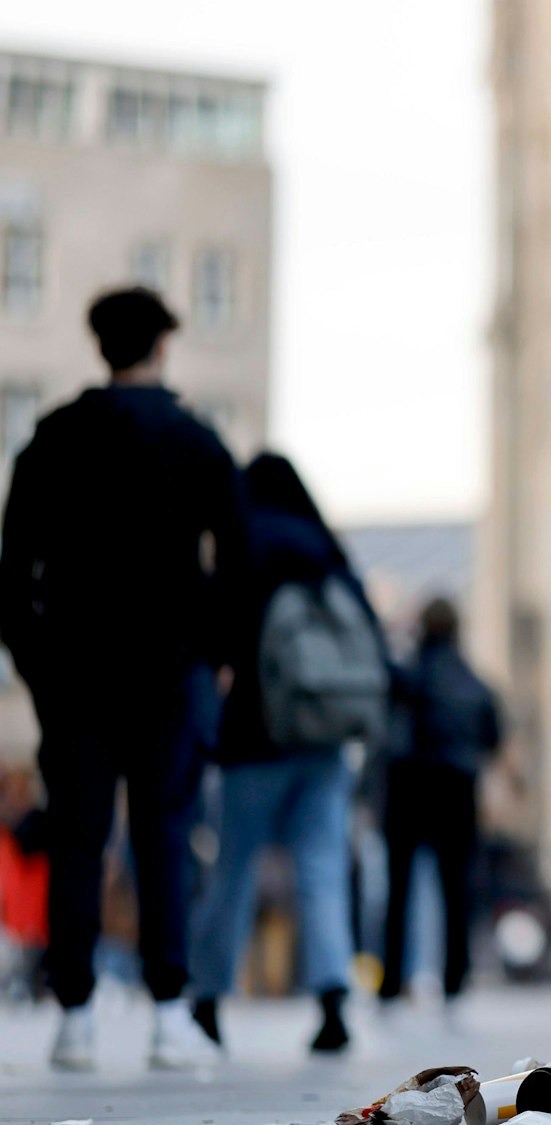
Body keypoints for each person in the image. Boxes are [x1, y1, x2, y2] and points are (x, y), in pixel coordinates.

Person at [0, 288, 245, 1071]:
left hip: (74, 673)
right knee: (163, 837)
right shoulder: (196, 440)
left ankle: (73, 1015)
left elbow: (13, 577)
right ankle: (168, 1011)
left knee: (78, 836)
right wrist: (218, 654)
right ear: (163, 347)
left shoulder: (52, 438)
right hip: (169, 673)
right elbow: (239, 564)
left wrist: (39, 668)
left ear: (99, 344)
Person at [187, 454, 385, 1053]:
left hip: (255, 740)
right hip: (324, 741)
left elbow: (215, 634)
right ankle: (332, 1002)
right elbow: (369, 637)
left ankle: (208, 1000)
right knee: (322, 871)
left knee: (235, 869)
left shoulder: (246, 545)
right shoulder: (328, 552)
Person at [378, 598, 502, 1011]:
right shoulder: (475, 683)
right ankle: (454, 978)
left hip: (408, 786)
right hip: (456, 789)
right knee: (456, 890)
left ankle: (391, 979)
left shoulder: (407, 677)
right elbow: (492, 737)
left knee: (399, 889)